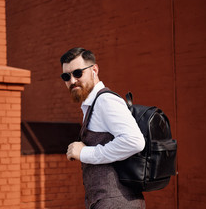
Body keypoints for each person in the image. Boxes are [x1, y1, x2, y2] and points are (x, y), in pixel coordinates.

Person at [60, 47, 146, 209]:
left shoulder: (105, 101)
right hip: (106, 201)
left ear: (94, 70)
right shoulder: (92, 104)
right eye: (66, 76)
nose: (72, 81)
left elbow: (134, 141)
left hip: (117, 202)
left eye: (78, 73)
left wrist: (85, 153)